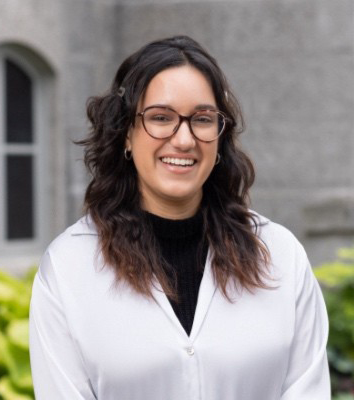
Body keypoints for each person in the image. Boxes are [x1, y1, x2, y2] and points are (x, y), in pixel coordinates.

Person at [29, 35, 331, 399]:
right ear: (126, 132)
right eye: (160, 117)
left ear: (220, 137)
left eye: (202, 119)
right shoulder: (68, 269)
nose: (184, 140)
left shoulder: (281, 255)